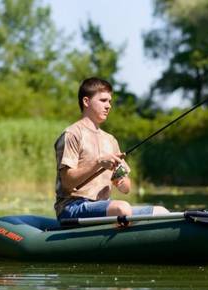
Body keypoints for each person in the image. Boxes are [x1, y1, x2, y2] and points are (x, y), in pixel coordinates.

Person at [54, 77, 168, 222]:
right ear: (86, 101)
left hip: (104, 207)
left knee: (161, 212)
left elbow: (126, 189)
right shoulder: (72, 134)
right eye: (103, 100)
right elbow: (67, 183)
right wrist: (98, 163)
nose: (108, 106)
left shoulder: (111, 140)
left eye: (110, 101)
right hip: (72, 207)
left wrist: (120, 179)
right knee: (122, 209)